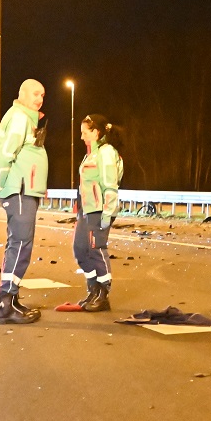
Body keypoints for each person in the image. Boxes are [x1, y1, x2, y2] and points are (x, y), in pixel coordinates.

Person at [0, 78, 49, 324]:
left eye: (42, 94)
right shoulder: (20, 118)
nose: (39, 98)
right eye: (34, 93)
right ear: (21, 94)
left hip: (26, 189)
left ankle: (11, 298)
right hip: (19, 190)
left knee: (19, 244)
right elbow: (5, 155)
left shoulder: (26, 118)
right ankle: (5, 303)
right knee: (21, 244)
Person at [73, 114, 124, 312]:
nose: (81, 137)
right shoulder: (91, 154)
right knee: (80, 249)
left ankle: (103, 294)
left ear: (96, 132)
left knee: (96, 249)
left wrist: (107, 213)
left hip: (99, 210)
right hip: (86, 210)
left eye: (84, 132)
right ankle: (93, 289)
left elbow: (110, 186)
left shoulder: (106, 152)